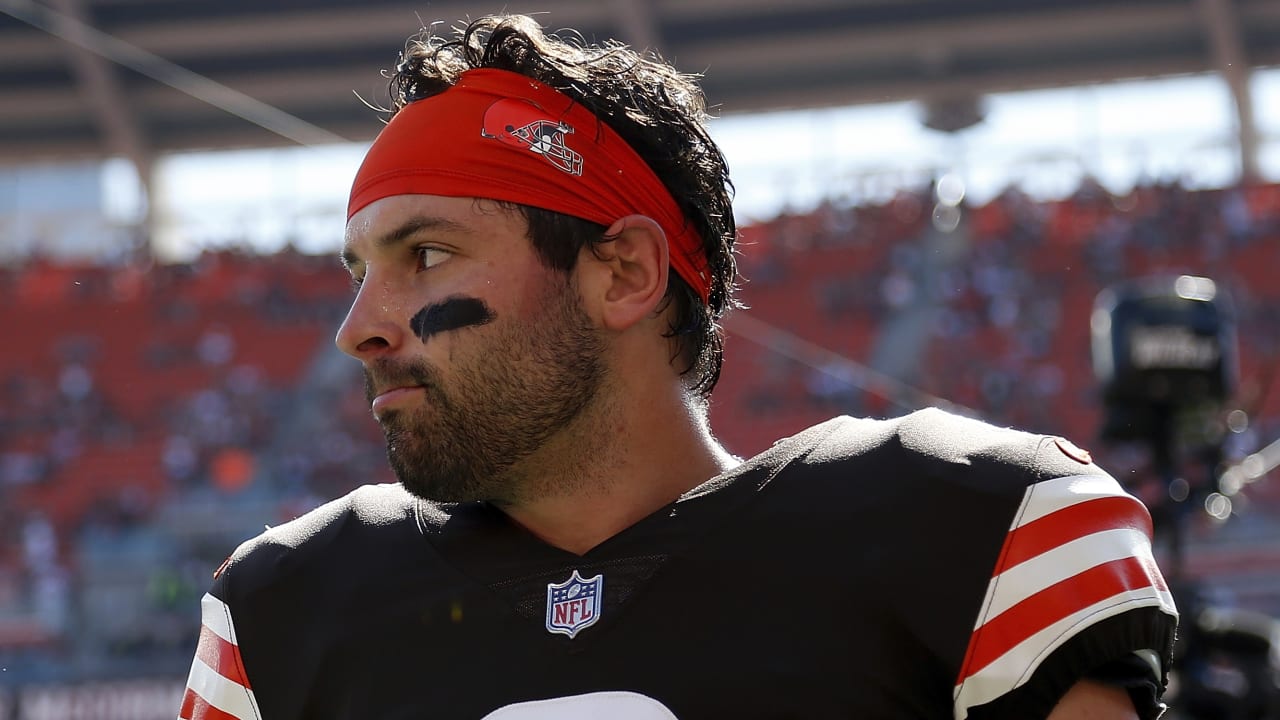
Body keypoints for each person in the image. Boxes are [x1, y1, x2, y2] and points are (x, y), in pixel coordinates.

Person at [179, 13, 1177, 720]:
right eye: (357, 271)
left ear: (620, 273)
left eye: (425, 256)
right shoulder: (281, 614)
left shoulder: (974, 528)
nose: (358, 326)